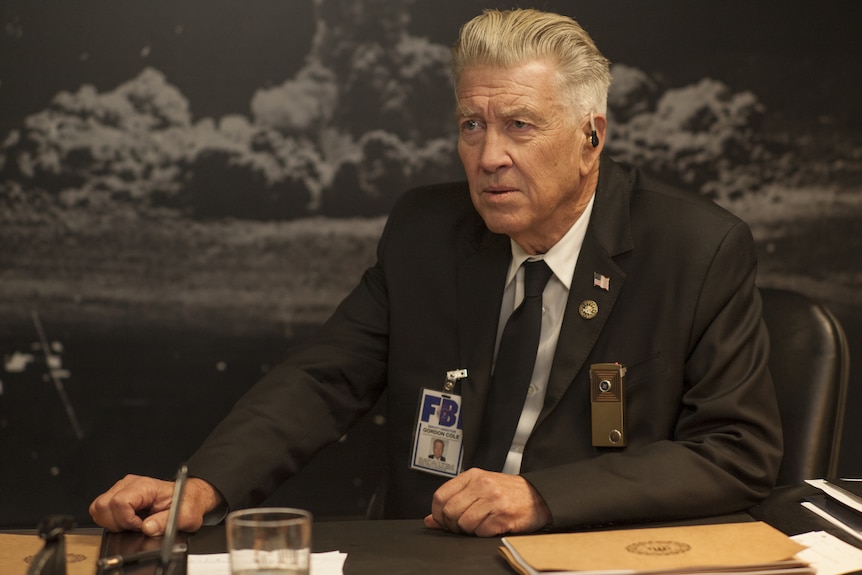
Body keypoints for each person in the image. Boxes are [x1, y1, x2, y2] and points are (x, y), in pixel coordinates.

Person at [89, 8, 782, 538]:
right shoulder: (426, 234)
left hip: (587, 551)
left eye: (518, 125)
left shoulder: (695, 249)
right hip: (430, 551)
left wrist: (543, 497)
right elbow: (321, 379)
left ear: (591, 136)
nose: (488, 157)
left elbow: (737, 451)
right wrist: (203, 486)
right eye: (471, 126)